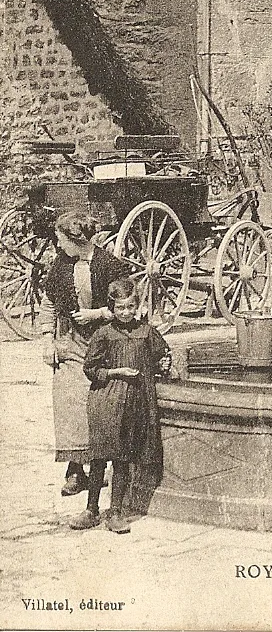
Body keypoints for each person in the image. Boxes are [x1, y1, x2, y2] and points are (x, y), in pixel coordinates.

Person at [39, 211, 128, 498]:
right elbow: (50, 303)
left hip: (104, 342)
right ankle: (75, 469)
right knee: (67, 393)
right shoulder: (61, 263)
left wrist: (97, 313)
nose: (58, 243)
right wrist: (47, 340)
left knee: (102, 401)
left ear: (77, 240)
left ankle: (102, 468)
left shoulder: (109, 265)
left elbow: (127, 305)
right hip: (72, 341)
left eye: (61, 239)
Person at [72, 276, 171, 533]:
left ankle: (116, 511)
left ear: (137, 305)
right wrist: (116, 372)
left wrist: (164, 364)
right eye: (120, 308)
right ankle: (91, 510)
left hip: (135, 405)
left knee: (123, 459)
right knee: (99, 458)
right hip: (106, 402)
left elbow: (163, 354)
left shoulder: (147, 332)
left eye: (130, 306)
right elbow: (90, 369)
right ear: (111, 308)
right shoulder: (103, 334)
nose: (126, 312)